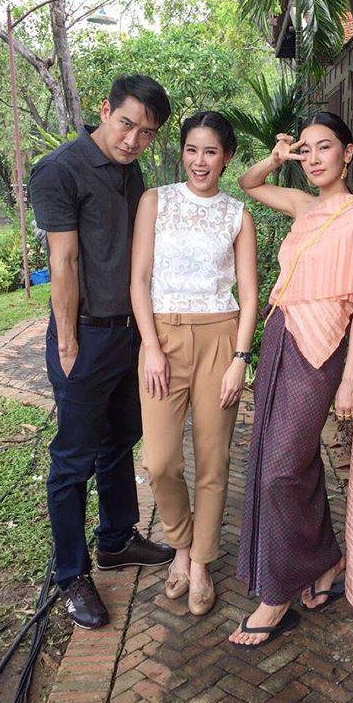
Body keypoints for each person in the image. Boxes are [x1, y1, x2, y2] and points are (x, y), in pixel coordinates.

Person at [228, 112, 353, 648]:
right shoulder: (304, 205)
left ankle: (278, 591)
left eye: (324, 147)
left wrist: (351, 378)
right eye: (305, 150)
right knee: (287, 460)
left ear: (348, 153)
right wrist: (276, 157)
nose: (313, 158)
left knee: (280, 470)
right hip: (281, 335)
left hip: (323, 349)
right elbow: (248, 183)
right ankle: (325, 560)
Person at [29, 75, 175, 630]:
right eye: (126, 124)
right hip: (85, 337)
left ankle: (115, 539)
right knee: (73, 460)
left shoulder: (130, 171)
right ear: (105, 110)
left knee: (120, 439)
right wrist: (68, 343)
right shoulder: (59, 169)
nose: (133, 140)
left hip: (128, 334)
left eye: (147, 133)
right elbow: (63, 262)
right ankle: (70, 574)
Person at [130, 111, 258, 616]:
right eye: (191, 150)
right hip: (162, 336)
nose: (199, 161)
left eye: (210, 151)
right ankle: (179, 543)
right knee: (159, 460)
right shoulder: (155, 201)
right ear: (181, 151)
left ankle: (199, 561)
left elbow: (249, 294)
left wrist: (239, 359)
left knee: (213, 459)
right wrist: (151, 346)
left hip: (220, 337)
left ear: (226, 157)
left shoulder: (237, 215)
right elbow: (140, 279)